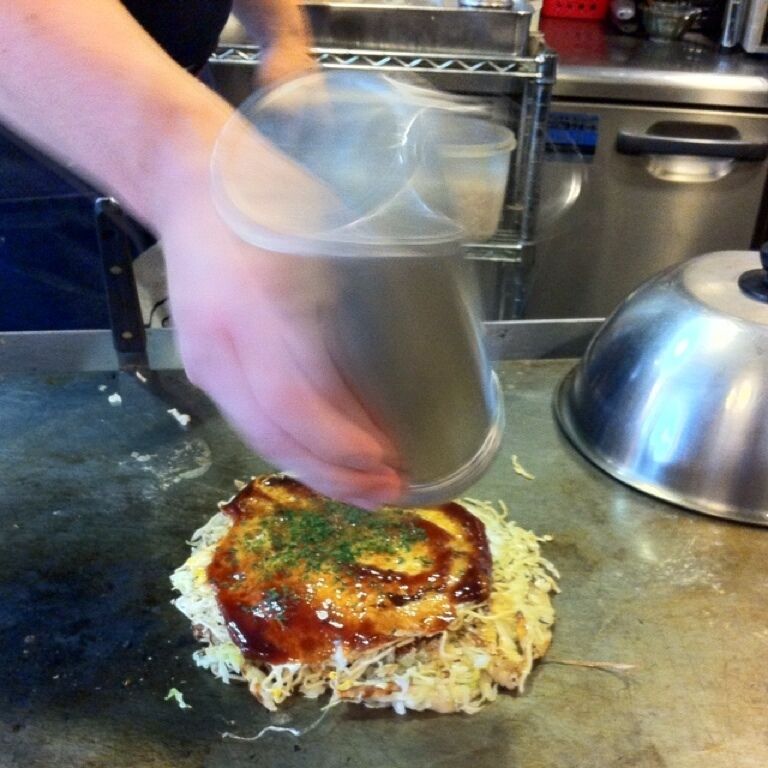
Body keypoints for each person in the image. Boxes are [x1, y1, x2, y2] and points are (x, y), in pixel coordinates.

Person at [0, 1, 404, 507]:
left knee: (191, 391)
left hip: (178, 109)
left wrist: (285, 39)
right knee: (74, 447)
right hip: (31, 171)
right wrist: (183, 160)